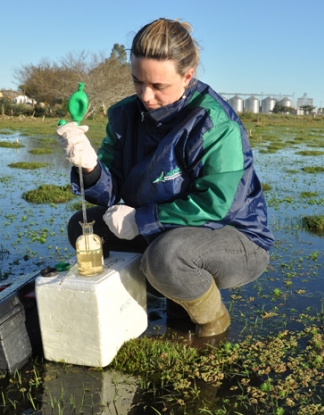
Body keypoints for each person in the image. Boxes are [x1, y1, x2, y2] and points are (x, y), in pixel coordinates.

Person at [56, 18, 274, 338]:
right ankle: (132, 302)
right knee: (83, 228)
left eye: (158, 86)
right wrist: (90, 167)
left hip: (235, 236)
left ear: (187, 77)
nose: (146, 96)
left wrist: (141, 221)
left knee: (167, 257)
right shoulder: (123, 115)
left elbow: (216, 205)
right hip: (162, 228)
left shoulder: (214, 124)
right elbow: (109, 191)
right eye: (137, 81)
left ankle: (213, 325)